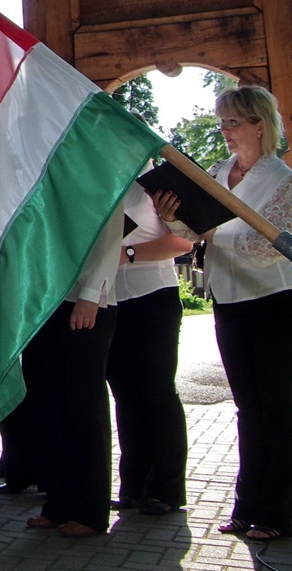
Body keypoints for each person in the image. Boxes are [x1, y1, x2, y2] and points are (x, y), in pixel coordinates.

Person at [157, 85, 292, 542]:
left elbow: (268, 247)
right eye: (221, 121)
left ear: (259, 125)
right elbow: (194, 231)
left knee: (274, 406)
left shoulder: (283, 180)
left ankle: (278, 515)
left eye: (232, 122)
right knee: (247, 408)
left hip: (274, 300)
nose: (223, 130)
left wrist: (209, 232)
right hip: (229, 299)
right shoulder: (218, 172)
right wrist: (172, 217)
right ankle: (247, 506)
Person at [22, 181, 124, 538]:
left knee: (84, 407)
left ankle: (90, 510)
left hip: (86, 300)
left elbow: (111, 229)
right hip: (45, 298)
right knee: (48, 404)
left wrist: (92, 293)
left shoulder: (99, 162)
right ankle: (58, 503)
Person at [106, 181, 193, 516]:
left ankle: (166, 490)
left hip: (154, 296)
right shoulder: (102, 178)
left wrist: (127, 254)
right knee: (125, 396)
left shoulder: (158, 183)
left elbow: (183, 242)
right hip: (112, 299)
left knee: (157, 393)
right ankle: (133, 486)